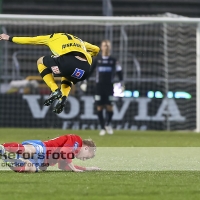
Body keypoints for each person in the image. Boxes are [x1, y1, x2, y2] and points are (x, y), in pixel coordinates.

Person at [0, 33, 100, 114]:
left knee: (40, 61)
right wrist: (90, 55)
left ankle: (54, 89)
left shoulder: (52, 37)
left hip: (68, 63)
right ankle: (63, 97)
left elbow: (31, 40)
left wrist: (9, 38)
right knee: (67, 76)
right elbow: (96, 49)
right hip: (85, 70)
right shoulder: (79, 41)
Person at [0, 134, 100, 173]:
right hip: (43, 147)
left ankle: (5, 157)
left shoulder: (72, 153)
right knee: (30, 151)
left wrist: (87, 168)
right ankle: (3, 147)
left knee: (31, 169)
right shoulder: (76, 140)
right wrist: (74, 169)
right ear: (86, 148)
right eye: (86, 158)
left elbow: (63, 166)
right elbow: (64, 151)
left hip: (41, 160)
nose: (83, 160)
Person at [86, 40, 124, 136]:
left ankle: (108, 124)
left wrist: (121, 82)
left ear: (110, 48)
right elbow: (90, 71)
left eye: (107, 46)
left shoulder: (114, 60)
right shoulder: (97, 60)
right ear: (101, 47)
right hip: (99, 87)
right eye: (104, 45)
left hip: (109, 87)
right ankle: (102, 128)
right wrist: (85, 80)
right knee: (99, 107)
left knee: (110, 107)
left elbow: (120, 72)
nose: (106, 47)